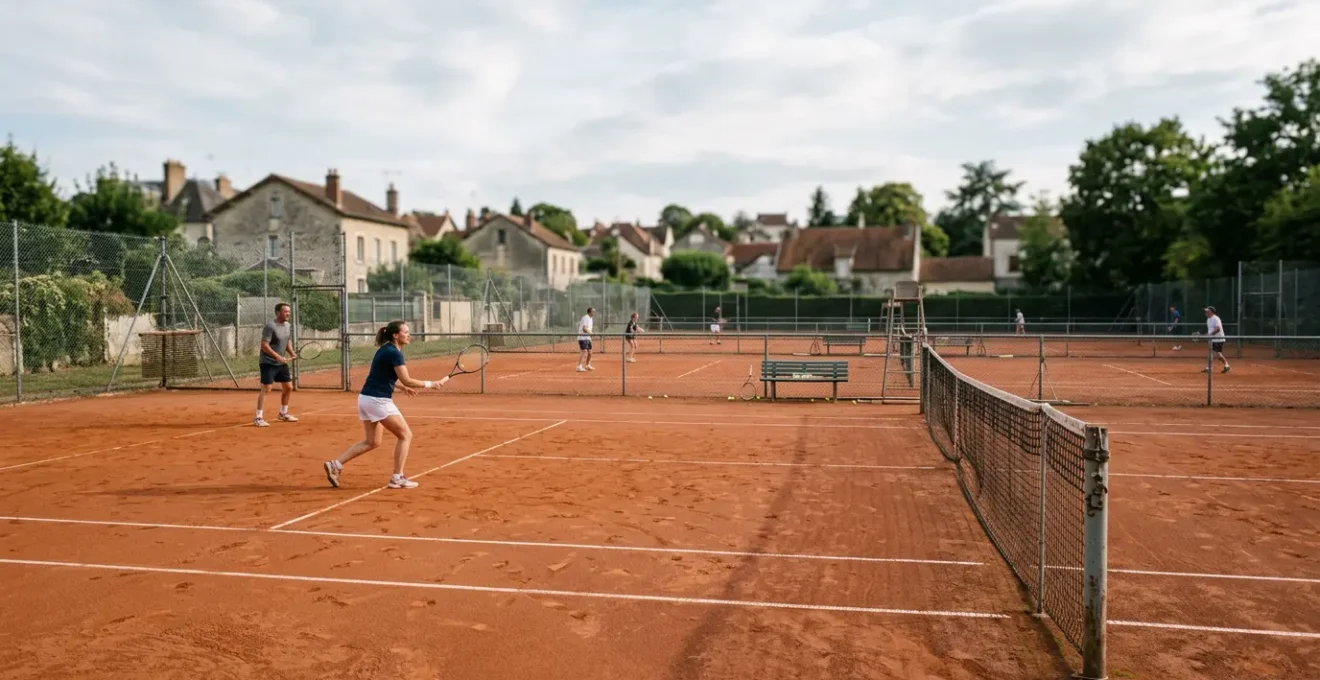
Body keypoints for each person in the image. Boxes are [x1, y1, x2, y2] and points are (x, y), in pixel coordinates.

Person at [322, 321, 447, 489]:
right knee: (405, 435)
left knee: (372, 442)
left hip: (365, 399)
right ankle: (397, 477)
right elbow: (406, 379)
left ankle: (335, 464)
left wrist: (401, 388)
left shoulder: (385, 349)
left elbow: (383, 375)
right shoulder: (394, 353)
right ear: (395, 335)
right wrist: (431, 384)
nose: (409, 335)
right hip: (378, 400)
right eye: (406, 332)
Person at [255, 302, 297, 427]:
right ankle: (258, 418)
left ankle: (283, 413)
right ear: (278, 313)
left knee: (288, 387)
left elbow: (286, 341)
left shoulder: (288, 325)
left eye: (289, 311)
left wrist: (291, 352)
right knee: (267, 388)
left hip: (281, 362)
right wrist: (277, 356)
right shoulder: (270, 326)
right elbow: (264, 345)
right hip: (268, 362)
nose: (288, 313)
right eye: (285, 311)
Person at [1202, 306, 1230, 374]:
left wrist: (1210, 335)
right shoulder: (1208, 319)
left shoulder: (1216, 318)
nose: (1206, 313)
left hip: (1218, 339)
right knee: (1211, 353)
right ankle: (1209, 367)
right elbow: (1211, 330)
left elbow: (1218, 329)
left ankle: (1227, 365)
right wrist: (1206, 335)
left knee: (1217, 354)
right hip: (1212, 339)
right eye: (1205, 311)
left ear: (1211, 312)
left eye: (1207, 311)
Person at [576, 307, 595, 372]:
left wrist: (590, 334)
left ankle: (587, 365)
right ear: (589, 312)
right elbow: (584, 328)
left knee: (590, 352)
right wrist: (590, 333)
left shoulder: (591, 318)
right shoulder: (585, 318)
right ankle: (579, 366)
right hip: (582, 338)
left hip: (587, 338)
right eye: (593, 311)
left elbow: (588, 328)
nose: (594, 313)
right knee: (584, 351)